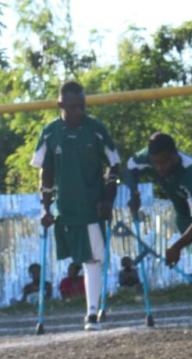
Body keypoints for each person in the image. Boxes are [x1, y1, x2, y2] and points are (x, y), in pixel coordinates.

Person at [31, 81, 120, 330]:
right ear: (61, 105)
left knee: (93, 258)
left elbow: (114, 164)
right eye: (73, 107)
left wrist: (108, 199)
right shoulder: (50, 133)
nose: (79, 111)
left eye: (82, 106)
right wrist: (45, 208)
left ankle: (92, 313)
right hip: (65, 207)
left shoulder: (96, 129)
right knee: (80, 257)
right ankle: (95, 305)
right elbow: (45, 172)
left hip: (92, 204)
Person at [124, 132, 192, 322]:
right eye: (155, 163)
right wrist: (134, 193)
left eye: (163, 162)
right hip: (181, 203)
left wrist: (176, 247)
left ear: (174, 156)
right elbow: (130, 168)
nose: (159, 168)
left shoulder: (191, 172)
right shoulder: (147, 157)